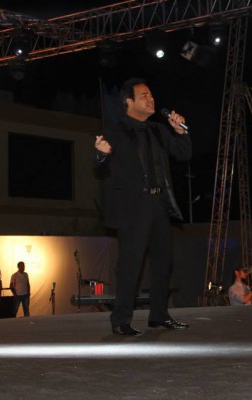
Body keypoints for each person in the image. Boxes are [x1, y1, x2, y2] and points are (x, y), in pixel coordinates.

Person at [95, 77, 191, 336]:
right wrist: (101, 154)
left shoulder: (159, 130)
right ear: (129, 101)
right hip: (133, 207)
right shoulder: (115, 131)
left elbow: (184, 154)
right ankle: (121, 320)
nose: (151, 99)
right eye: (144, 96)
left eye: (151, 95)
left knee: (163, 261)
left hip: (159, 203)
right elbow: (100, 162)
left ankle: (159, 315)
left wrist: (180, 132)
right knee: (131, 263)